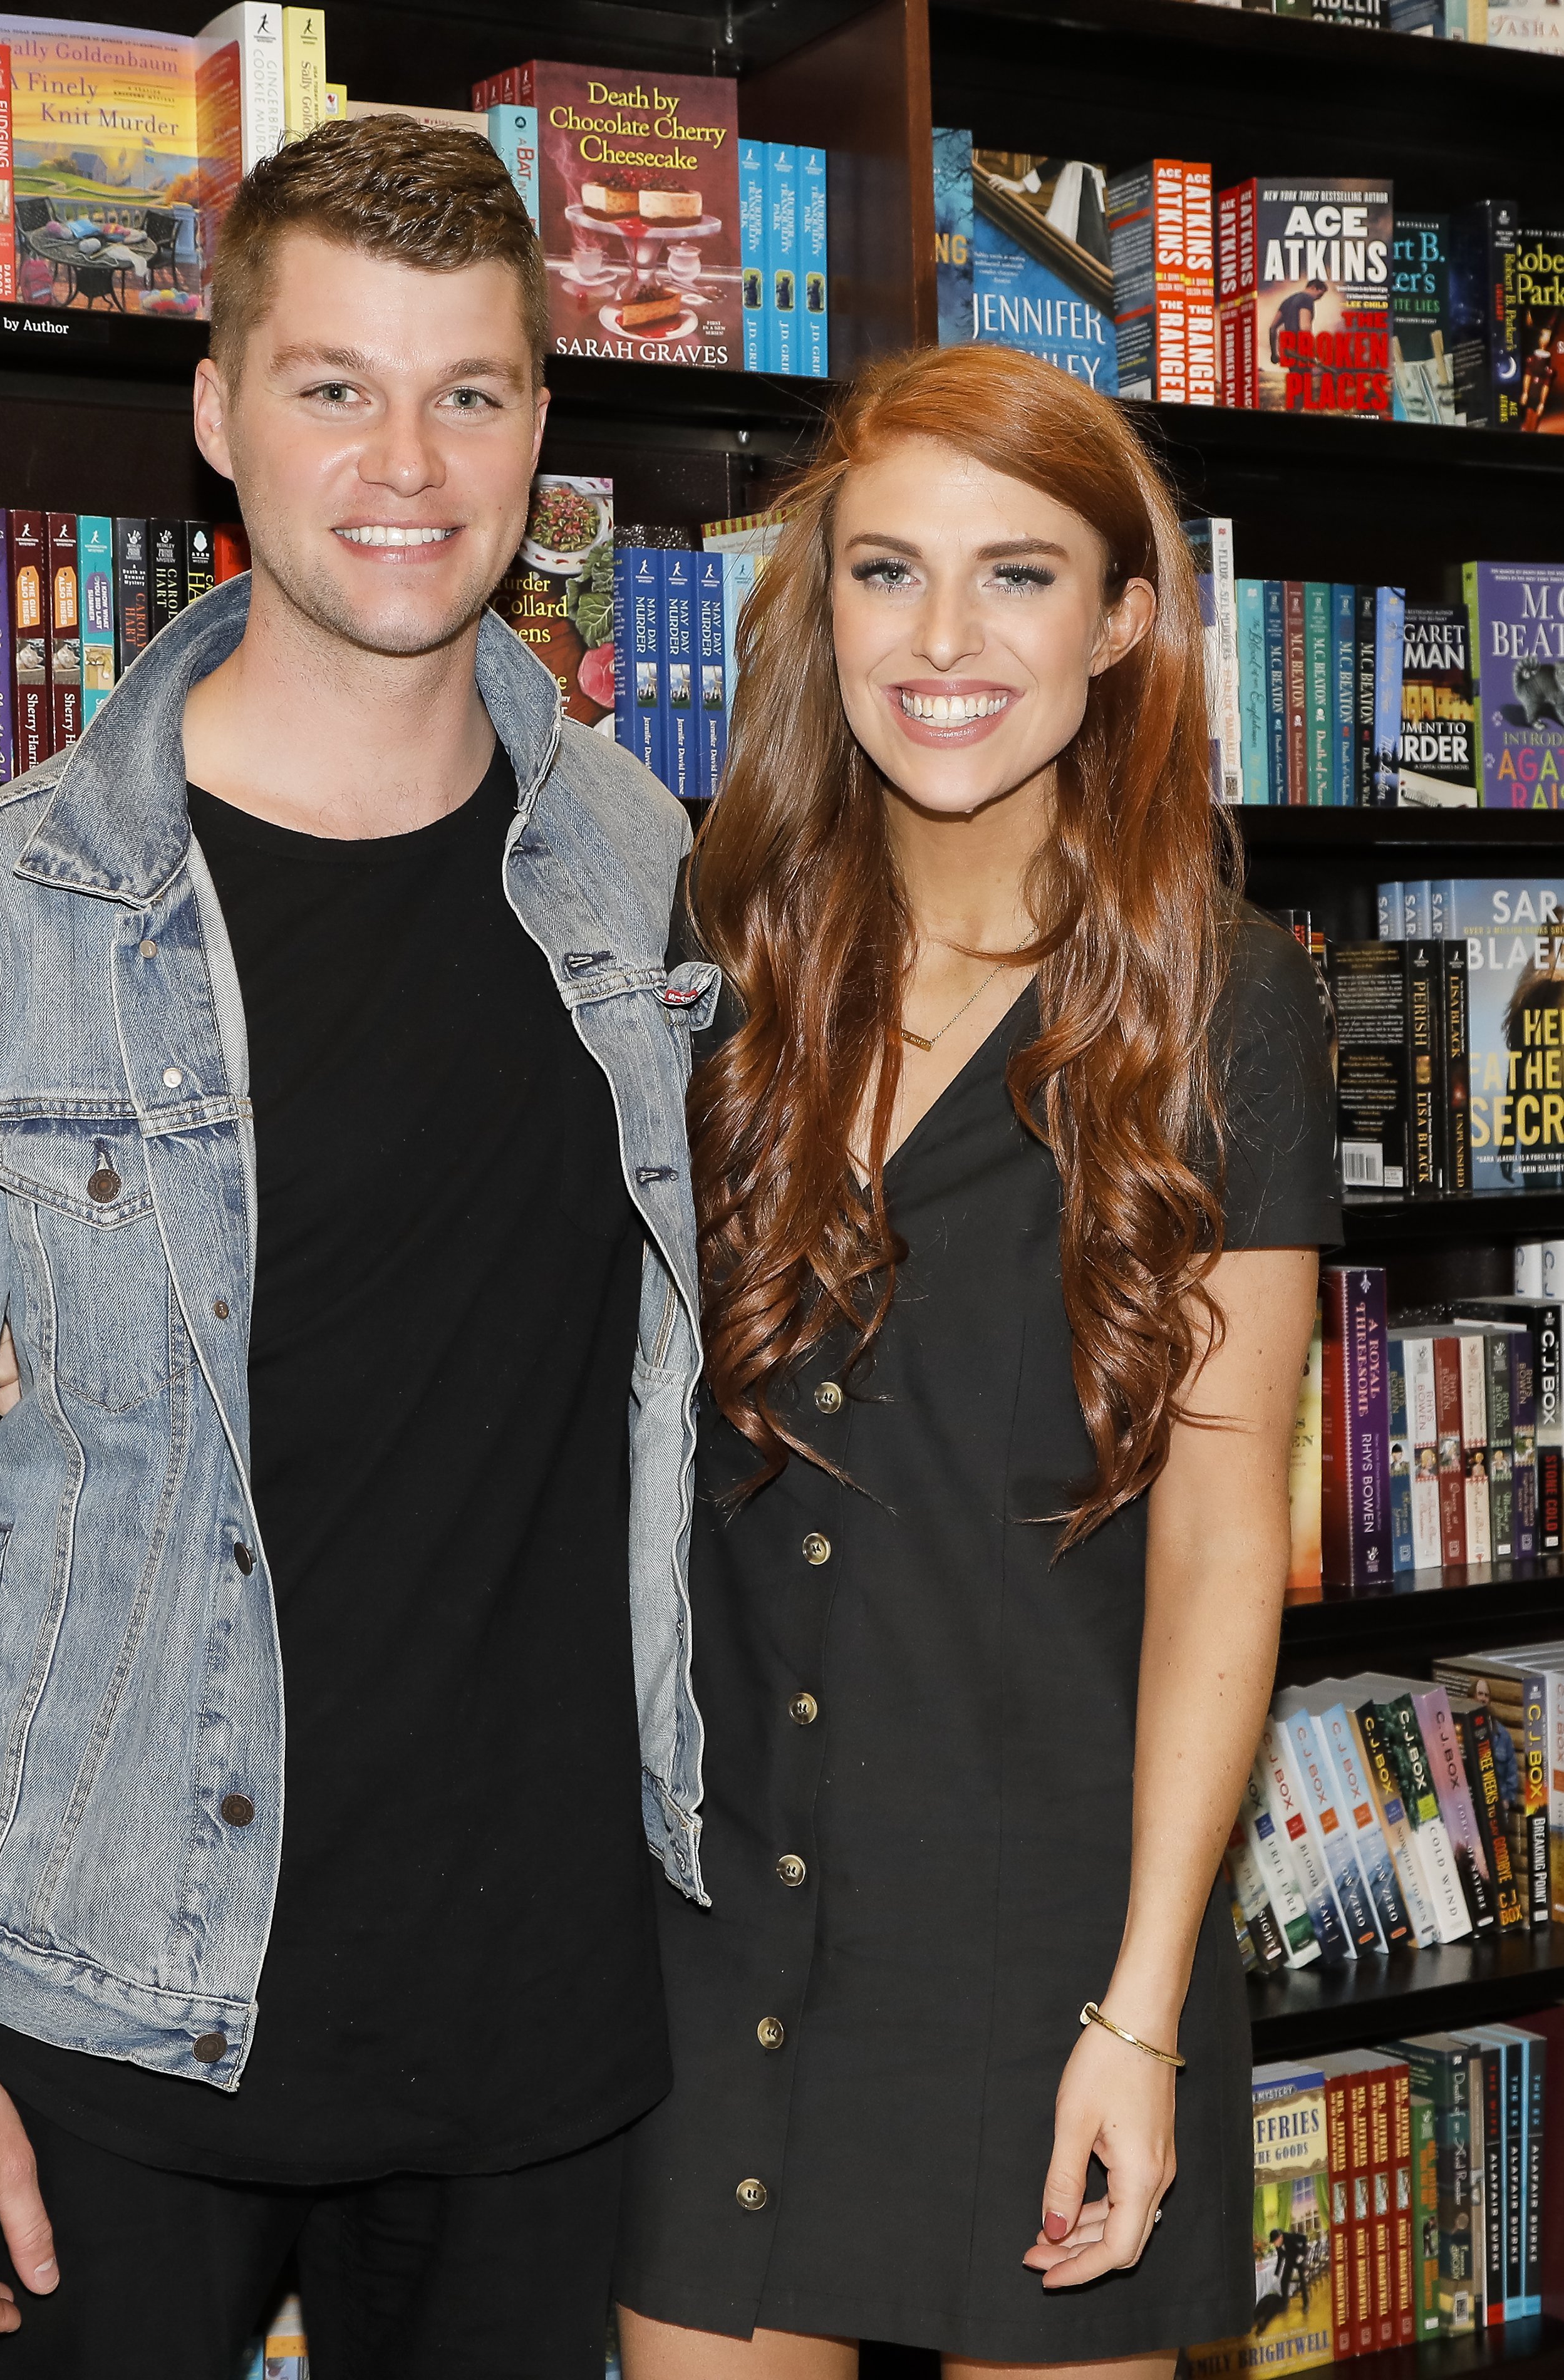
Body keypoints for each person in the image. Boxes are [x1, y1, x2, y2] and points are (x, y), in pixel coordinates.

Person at [0, 117, 718, 2377]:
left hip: (542, 2012)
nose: (406, 461)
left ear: (540, 431)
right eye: (332, 386)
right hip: (106, 2005)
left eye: (468, 392)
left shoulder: (640, 862)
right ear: (215, 415)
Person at [613, 343, 1338, 2376]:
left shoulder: (1225, 1002)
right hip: (711, 1929)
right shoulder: (705, 950)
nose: (941, 641)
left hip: (1041, 1956)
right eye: (883, 573)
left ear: (1120, 623)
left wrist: (1137, 2011)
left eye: (1017, 576)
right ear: (815, 607)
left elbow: (1216, 1547)